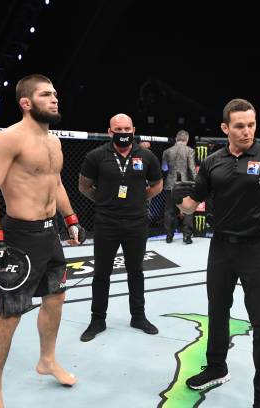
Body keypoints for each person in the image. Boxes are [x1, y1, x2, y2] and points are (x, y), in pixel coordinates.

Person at [174, 98, 260, 407]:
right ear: (225, 128)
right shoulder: (213, 162)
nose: (247, 131)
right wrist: (180, 201)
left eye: (251, 125)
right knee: (216, 313)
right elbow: (192, 204)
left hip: (256, 250)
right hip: (220, 247)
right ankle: (217, 368)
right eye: (239, 126)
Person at [0, 74, 86, 408]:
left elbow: (55, 183)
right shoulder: (10, 138)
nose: (55, 99)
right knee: (9, 314)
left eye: (55, 93)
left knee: (56, 298)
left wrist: (71, 218)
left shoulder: (54, 142)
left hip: (48, 233)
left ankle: (47, 360)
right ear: (26, 102)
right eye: (45, 95)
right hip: (19, 238)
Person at [78, 113, 163, 341]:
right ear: (110, 131)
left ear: (133, 130)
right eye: (119, 128)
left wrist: (140, 199)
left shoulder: (146, 156)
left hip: (136, 222)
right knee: (101, 273)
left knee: (136, 271)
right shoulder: (96, 156)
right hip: (106, 222)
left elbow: (158, 184)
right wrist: (104, 199)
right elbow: (84, 186)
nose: (123, 132)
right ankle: (98, 319)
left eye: (127, 128)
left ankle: (138, 316)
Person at [162, 129, 196, 244]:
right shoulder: (189, 150)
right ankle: (187, 237)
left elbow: (164, 168)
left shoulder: (167, 151)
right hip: (184, 185)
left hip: (170, 184)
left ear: (176, 139)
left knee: (169, 211)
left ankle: (169, 237)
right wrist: (197, 183)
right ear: (186, 139)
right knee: (187, 211)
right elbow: (191, 169)